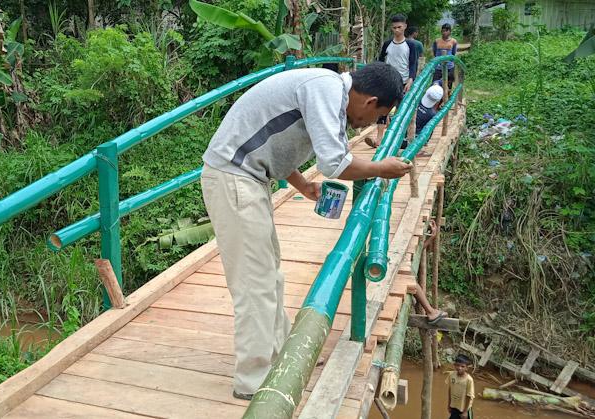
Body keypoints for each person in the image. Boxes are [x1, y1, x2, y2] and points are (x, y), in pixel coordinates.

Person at [201, 62, 413, 400]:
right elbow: (335, 164)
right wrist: (381, 169)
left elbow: (281, 137)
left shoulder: (329, 91)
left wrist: (301, 185)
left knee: (270, 273)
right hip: (234, 178)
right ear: (370, 101)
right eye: (375, 117)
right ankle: (254, 380)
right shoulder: (325, 89)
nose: (369, 124)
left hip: (249, 178)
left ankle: (283, 351)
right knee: (254, 283)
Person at [365, 14, 420, 148]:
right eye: (394, 28)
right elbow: (380, 60)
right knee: (383, 110)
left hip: (403, 82)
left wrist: (411, 79)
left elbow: (413, 63)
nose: (396, 30)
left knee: (401, 112)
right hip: (388, 81)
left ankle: (399, 139)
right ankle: (379, 139)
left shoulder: (410, 45)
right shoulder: (387, 44)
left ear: (405, 27)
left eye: (399, 27)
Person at [447, 354, 475, 419]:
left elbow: (469, 396)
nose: (459, 368)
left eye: (462, 366)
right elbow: (450, 389)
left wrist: (465, 412)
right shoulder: (452, 375)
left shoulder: (469, 380)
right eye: (457, 365)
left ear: (467, 368)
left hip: (465, 409)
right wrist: (449, 404)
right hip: (454, 406)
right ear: (454, 365)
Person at [433, 23, 458, 90]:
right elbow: (435, 52)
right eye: (443, 31)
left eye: (446, 31)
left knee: (448, 85)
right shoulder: (437, 41)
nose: (444, 33)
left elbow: (453, 53)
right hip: (438, 66)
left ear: (450, 31)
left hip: (449, 66)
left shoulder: (453, 41)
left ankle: (447, 99)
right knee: (435, 84)